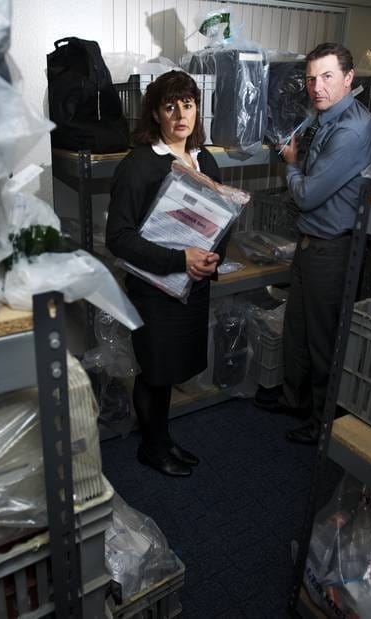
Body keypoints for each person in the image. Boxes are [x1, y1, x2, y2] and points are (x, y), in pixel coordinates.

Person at [106, 71, 228, 477]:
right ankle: (153, 448)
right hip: (154, 288)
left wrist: (213, 258)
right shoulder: (138, 165)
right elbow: (118, 238)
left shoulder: (205, 160)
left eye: (187, 105)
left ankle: (163, 439)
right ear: (155, 114)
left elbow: (221, 221)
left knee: (174, 366)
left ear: (197, 109)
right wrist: (180, 260)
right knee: (156, 372)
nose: (180, 114)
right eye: (170, 106)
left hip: (193, 286)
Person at [265, 42, 371, 444]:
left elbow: (308, 195)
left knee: (322, 340)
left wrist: (290, 164)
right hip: (311, 243)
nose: (317, 87)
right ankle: (294, 401)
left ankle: (322, 423)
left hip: (332, 249)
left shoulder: (352, 130)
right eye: (311, 78)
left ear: (349, 78)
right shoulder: (328, 117)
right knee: (298, 329)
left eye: (327, 76)